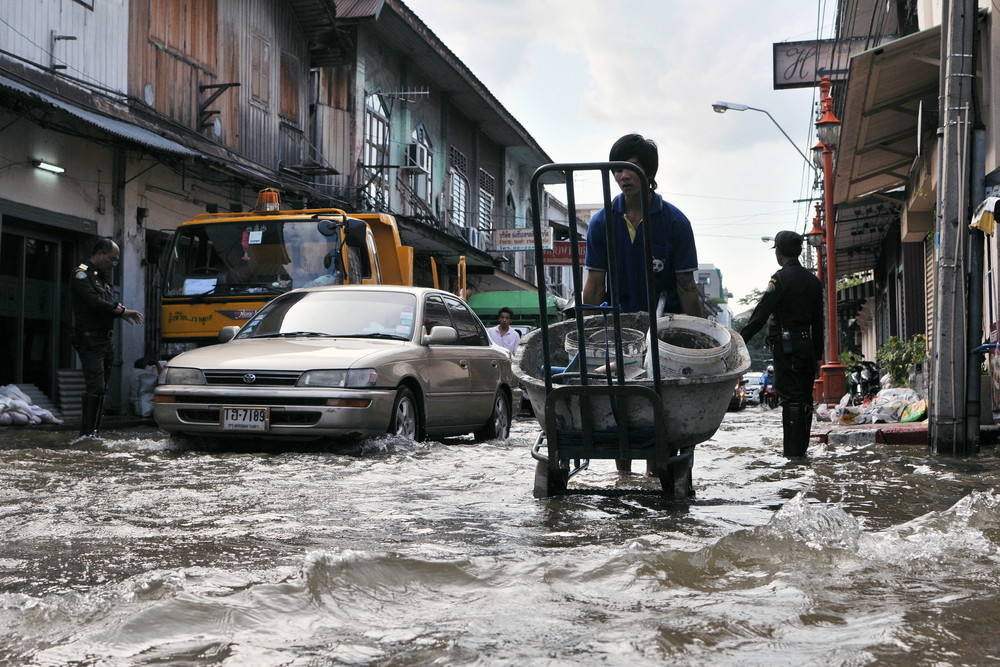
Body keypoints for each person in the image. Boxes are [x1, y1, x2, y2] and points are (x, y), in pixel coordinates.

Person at [581, 133, 702, 318]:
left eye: (633, 168)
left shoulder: (676, 222)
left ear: (649, 172)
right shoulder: (601, 222)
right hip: (619, 325)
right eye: (618, 170)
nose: (624, 176)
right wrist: (587, 333)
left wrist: (699, 335)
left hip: (666, 324)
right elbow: (595, 285)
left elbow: (686, 286)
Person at [739, 231, 824, 457]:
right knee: (805, 398)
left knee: (791, 400)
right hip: (807, 349)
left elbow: (760, 316)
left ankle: (793, 457)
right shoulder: (814, 282)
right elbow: (819, 323)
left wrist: (739, 341)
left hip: (787, 350)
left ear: (779, 252)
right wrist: (817, 356)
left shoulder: (780, 279)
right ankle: (801, 452)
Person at [71, 238, 143, 438]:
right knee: (95, 386)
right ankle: (86, 435)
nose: (114, 264)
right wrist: (121, 311)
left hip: (105, 338)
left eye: (117, 261)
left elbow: (106, 302)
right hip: (89, 339)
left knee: (102, 388)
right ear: (100, 254)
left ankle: (95, 432)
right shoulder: (81, 273)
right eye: (112, 259)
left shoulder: (102, 277)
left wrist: (118, 310)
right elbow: (94, 302)